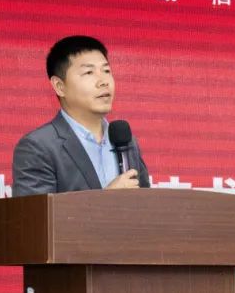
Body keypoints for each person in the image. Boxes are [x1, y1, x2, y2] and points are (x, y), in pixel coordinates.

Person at [12, 35, 150, 196]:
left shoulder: (126, 142)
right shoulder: (38, 147)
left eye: (106, 71)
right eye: (89, 72)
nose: (103, 81)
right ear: (60, 86)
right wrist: (106, 199)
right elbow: (37, 212)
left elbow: (147, 205)